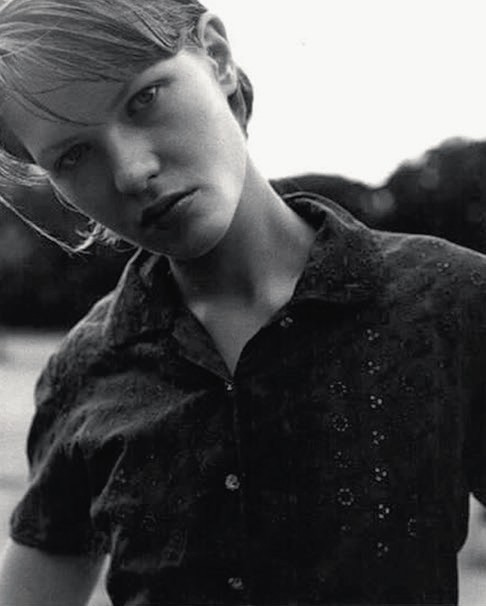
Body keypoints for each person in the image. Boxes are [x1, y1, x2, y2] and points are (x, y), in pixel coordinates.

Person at [0, 1, 486, 605]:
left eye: (144, 99)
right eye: (73, 156)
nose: (131, 172)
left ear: (217, 57)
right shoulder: (84, 369)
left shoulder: (450, 301)